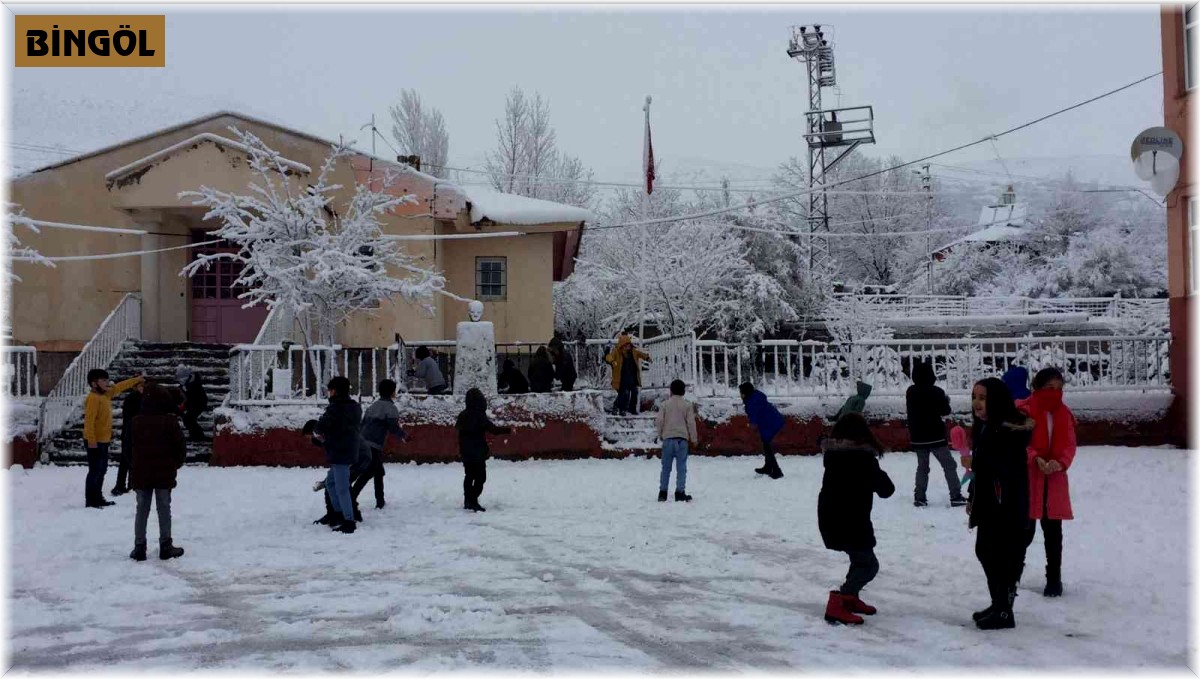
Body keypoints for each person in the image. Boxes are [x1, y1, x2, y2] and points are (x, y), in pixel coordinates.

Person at [967, 377, 1035, 630]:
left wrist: (979, 466)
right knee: (985, 552)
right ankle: (999, 604)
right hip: (989, 504)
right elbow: (982, 471)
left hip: (1006, 506)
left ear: (996, 400)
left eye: (983, 398)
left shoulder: (1006, 432)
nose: (977, 403)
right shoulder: (986, 427)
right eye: (974, 397)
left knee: (1003, 557)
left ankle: (1004, 611)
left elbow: (1005, 471)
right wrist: (973, 494)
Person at [818, 413, 895, 625]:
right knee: (869, 566)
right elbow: (887, 490)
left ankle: (850, 599)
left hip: (831, 518)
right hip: (852, 522)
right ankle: (840, 600)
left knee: (859, 559)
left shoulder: (832, 457)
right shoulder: (863, 460)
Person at [1016, 367, 1076, 598]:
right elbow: (1019, 442)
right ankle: (1014, 573)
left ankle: (1054, 579)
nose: (1056, 393)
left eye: (1060, 388)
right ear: (1037, 388)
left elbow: (1070, 445)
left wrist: (1060, 463)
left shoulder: (1064, 414)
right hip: (1029, 478)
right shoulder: (1023, 411)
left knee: (1053, 533)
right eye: (1050, 388)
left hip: (1054, 480)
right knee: (1024, 531)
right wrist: (1035, 458)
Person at [128, 384, 187, 561]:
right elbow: (180, 447)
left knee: (141, 509)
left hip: (141, 472)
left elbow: (127, 448)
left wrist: (134, 465)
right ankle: (165, 545)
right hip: (164, 472)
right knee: (164, 508)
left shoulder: (135, 422)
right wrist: (175, 464)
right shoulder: (170, 422)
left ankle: (139, 547)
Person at [905, 361, 966, 508]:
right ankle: (956, 495)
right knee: (949, 465)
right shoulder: (937, 392)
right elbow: (945, 410)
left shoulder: (910, 392)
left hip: (918, 437)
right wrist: (946, 401)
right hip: (936, 436)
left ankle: (919, 497)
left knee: (922, 467)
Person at [82, 369, 144, 508]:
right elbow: (89, 422)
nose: (107, 383)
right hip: (94, 441)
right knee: (95, 471)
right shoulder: (93, 398)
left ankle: (98, 497)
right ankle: (91, 499)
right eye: (103, 380)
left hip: (104, 440)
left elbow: (119, 387)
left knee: (102, 470)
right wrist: (91, 440)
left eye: (106, 380)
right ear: (94, 383)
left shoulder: (105, 395)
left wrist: (136, 380)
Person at [313, 376, 363, 533]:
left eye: (329, 390)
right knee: (331, 483)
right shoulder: (354, 406)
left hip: (340, 452)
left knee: (341, 487)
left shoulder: (335, 409)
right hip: (349, 449)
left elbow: (321, 426)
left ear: (334, 391)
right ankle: (338, 514)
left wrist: (319, 434)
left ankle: (348, 520)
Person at [355, 379, 408, 510]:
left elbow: (362, 424)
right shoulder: (391, 408)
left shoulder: (372, 406)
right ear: (392, 393)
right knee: (368, 473)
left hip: (363, 442)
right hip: (374, 445)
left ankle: (380, 500)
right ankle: (351, 496)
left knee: (378, 472)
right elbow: (393, 427)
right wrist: (404, 436)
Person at [455, 387, 512, 512]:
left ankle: (468, 500)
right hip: (478, 452)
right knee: (481, 478)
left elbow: (459, 432)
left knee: (469, 476)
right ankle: (473, 500)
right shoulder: (480, 416)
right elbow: (494, 430)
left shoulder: (462, 415)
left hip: (465, 452)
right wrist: (507, 430)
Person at [655, 379, 698, 503]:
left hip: (668, 439)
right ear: (683, 391)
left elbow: (659, 421)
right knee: (681, 467)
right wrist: (694, 439)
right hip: (682, 440)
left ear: (671, 391)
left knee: (666, 467)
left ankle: (662, 492)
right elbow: (691, 423)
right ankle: (680, 492)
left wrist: (660, 434)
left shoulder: (664, 405)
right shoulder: (687, 405)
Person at [739, 382, 785, 479]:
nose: (740, 395)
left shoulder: (751, 402)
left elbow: (753, 416)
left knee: (767, 447)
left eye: (741, 392)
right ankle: (768, 467)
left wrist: (752, 425)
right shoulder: (755, 396)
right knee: (766, 445)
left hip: (770, 424)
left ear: (746, 393)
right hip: (773, 421)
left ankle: (777, 471)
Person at [111, 380, 144, 496]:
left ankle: (125, 484)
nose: (143, 388)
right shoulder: (136, 398)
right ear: (135, 387)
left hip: (129, 432)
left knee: (128, 459)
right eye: (141, 386)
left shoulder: (134, 398)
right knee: (128, 459)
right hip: (131, 432)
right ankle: (124, 484)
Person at [605, 333, 649, 415]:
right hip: (621, 378)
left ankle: (631, 408)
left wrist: (647, 357)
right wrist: (612, 361)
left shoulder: (633, 352)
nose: (627, 347)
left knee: (635, 392)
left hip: (632, 377)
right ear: (622, 345)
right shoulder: (617, 352)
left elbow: (640, 354)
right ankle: (621, 409)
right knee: (623, 394)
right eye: (625, 345)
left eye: (628, 345)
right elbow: (608, 357)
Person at [175, 367, 209, 441]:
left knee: (188, 419)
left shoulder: (194, 384)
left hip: (199, 403)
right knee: (188, 419)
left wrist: (185, 405)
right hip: (192, 403)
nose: (180, 381)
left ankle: (199, 436)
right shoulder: (187, 383)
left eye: (181, 379)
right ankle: (196, 435)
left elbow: (194, 397)